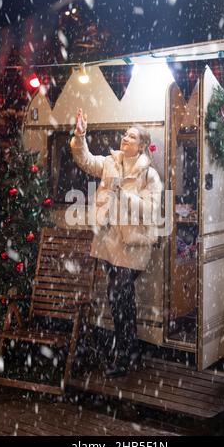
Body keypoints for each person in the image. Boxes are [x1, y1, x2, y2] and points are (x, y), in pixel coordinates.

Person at [70, 108, 163, 377]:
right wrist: (80, 135)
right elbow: (84, 160)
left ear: (142, 145)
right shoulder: (110, 162)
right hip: (109, 244)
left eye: (132, 136)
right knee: (119, 299)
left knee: (119, 293)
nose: (125, 138)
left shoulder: (149, 175)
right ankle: (129, 352)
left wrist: (124, 194)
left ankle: (125, 356)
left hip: (133, 246)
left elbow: (153, 210)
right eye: (125, 134)